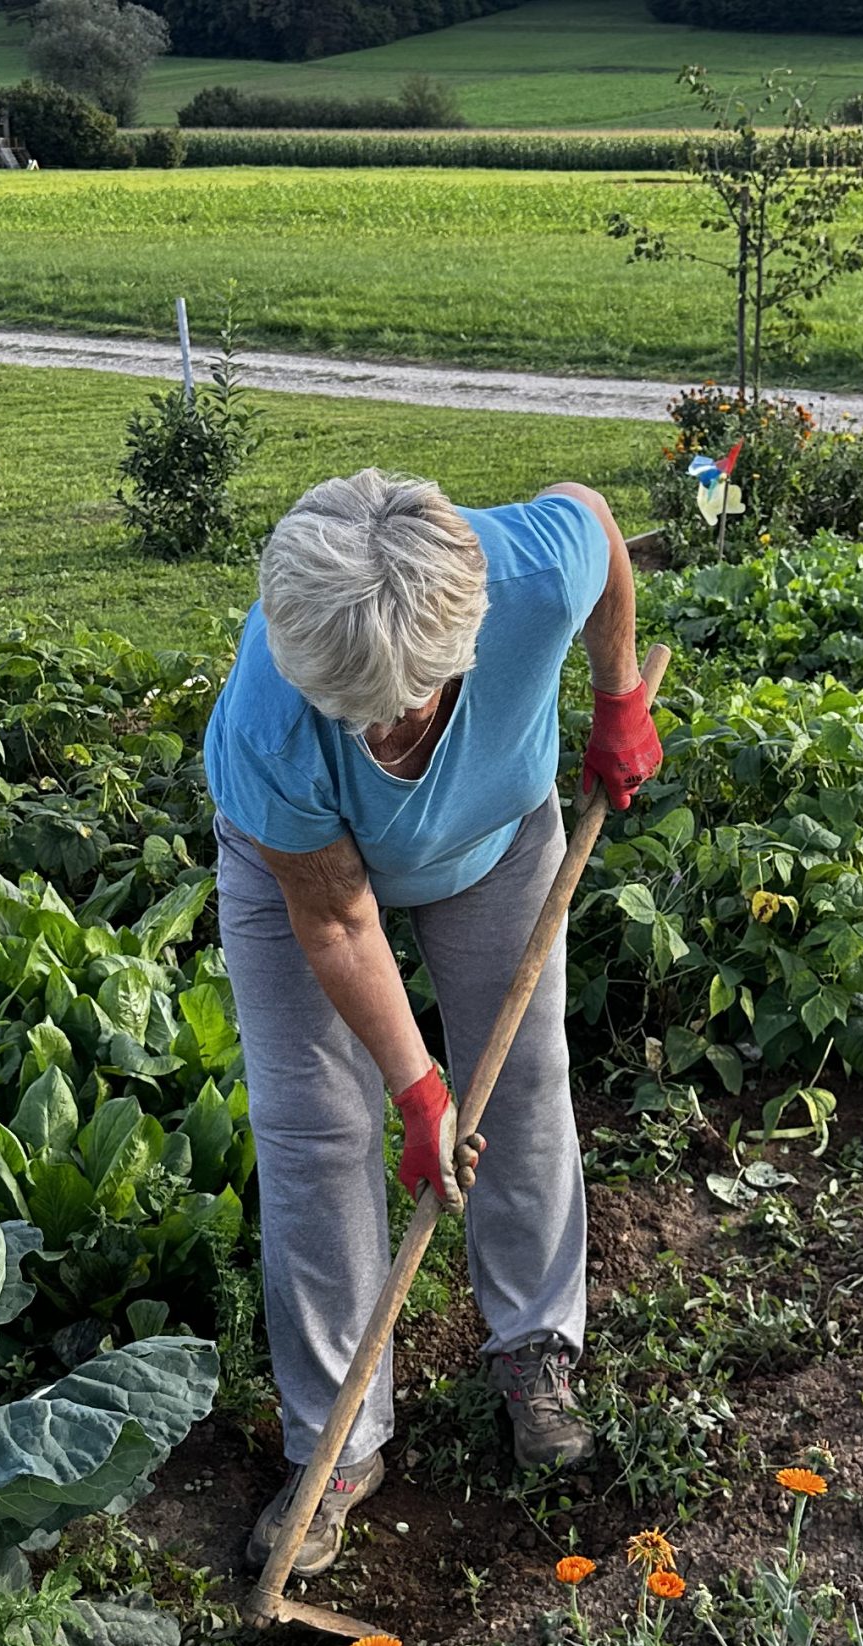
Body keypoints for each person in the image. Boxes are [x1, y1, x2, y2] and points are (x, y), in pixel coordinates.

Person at [203, 469, 661, 1577]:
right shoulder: (272, 723)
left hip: (495, 839)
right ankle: (337, 1442)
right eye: (350, 714)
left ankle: (534, 1348)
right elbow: (340, 920)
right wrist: (415, 1087)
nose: (377, 728)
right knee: (317, 1130)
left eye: (399, 708)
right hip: (300, 881)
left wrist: (614, 702)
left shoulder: (530, 571)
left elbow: (596, 522)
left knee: (524, 1078)